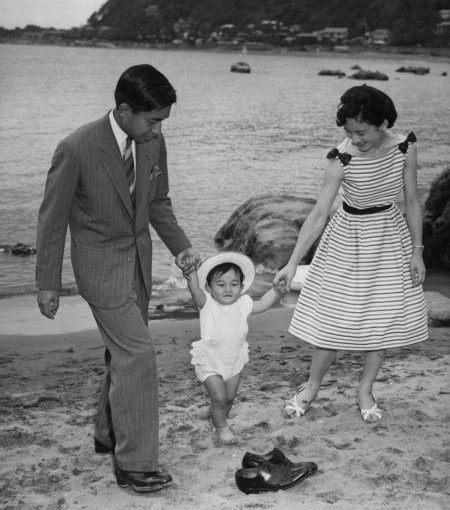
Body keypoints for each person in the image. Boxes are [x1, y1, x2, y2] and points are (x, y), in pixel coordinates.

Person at [36, 63, 200, 494]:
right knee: (139, 356)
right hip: (99, 270)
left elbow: (158, 201)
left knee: (121, 354)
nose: (158, 129)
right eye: (153, 120)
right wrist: (47, 282)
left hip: (139, 265)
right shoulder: (75, 147)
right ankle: (134, 464)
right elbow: (51, 219)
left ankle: (106, 432)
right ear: (125, 110)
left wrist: (180, 246)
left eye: (163, 120)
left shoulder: (151, 141)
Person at [274, 85, 428, 423]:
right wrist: (292, 262)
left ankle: (365, 390)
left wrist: (417, 251)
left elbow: (413, 202)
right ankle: (312, 387)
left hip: (389, 237)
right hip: (347, 239)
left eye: (361, 132)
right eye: (348, 132)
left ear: (382, 122)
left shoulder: (405, 149)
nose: (355, 139)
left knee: (380, 319)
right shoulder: (340, 159)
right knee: (333, 320)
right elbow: (318, 213)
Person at [183, 251, 282, 444]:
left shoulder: (243, 303)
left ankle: (219, 418)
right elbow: (195, 289)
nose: (228, 289)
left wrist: (276, 291)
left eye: (234, 284)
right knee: (219, 397)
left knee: (228, 399)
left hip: (234, 359)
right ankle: (221, 427)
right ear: (209, 287)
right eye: (220, 284)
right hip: (211, 360)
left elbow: (262, 304)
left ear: (242, 286)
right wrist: (191, 275)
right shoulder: (207, 304)